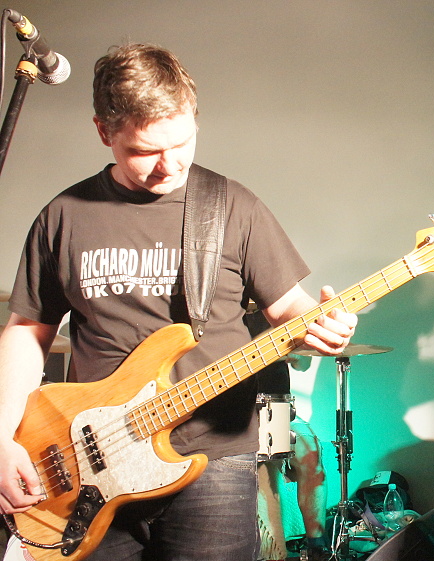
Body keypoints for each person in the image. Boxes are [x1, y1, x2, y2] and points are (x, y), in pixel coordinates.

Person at [0, 43, 357, 560]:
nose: (169, 165)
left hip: (212, 457)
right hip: (90, 460)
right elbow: (26, 332)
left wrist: (321, 327)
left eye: (183, 142)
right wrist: (2, 434)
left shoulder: (233, 206)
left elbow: (289, 310)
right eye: (144, 151)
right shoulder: (64, 215)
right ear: (103, 131)